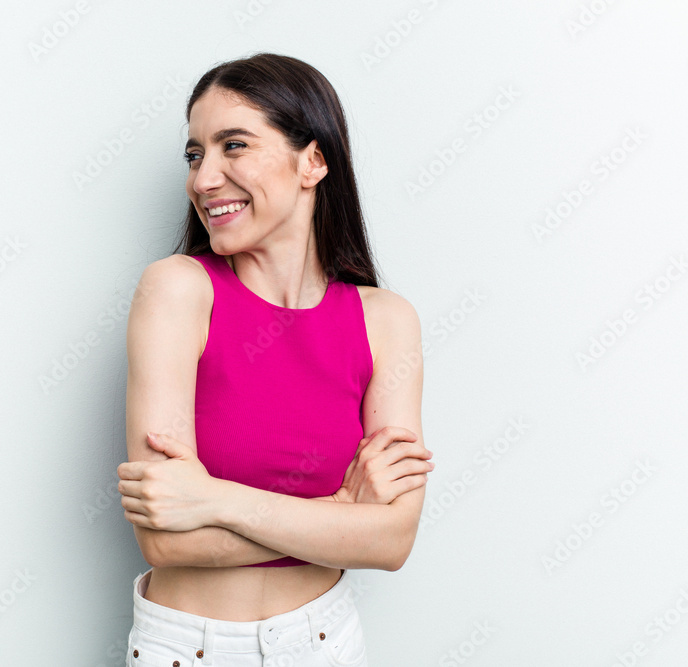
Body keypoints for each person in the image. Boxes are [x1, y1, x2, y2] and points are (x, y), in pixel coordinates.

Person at [117, 52, 433, 667]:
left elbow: (392, 540)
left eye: (233, 145)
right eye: (194, 155)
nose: (203, 179)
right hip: (191, 648)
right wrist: (341, 516)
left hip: (327, 642)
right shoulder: (176, 290)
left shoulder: (387, 321)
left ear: (313, 161)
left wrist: (214, 500)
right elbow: (164, 538)